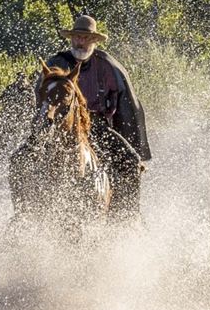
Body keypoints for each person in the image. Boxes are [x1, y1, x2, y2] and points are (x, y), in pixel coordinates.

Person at [42, 15, 151, 220]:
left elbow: (127, 105)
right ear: (71, 38)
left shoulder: (109, 66)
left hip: (97, 125)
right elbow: (41, 95)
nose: (80, 42)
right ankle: (25, 215)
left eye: (85, 37)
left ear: (93, 40)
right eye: (76, 37)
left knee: (130, 161)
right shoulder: (57, 63)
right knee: (24, 159)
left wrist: (134, 142)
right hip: (59, 125)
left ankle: (128, 217)